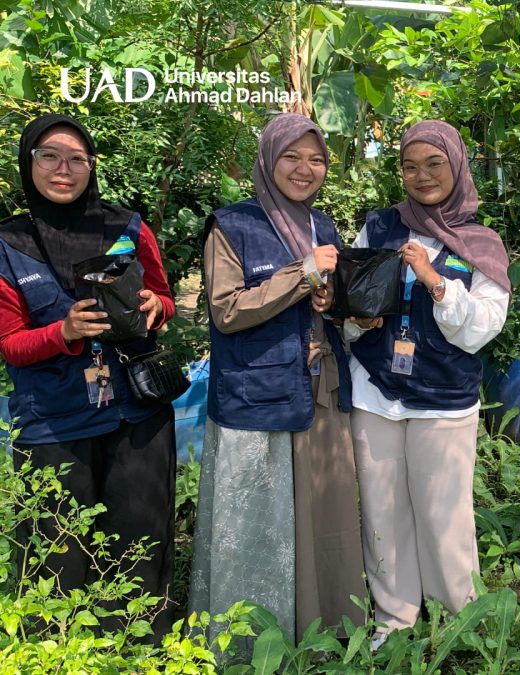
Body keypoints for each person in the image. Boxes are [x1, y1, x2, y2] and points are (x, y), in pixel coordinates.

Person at [189, 113, 365, 647]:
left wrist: (332, 301)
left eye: (316, 159)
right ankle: (248, 644)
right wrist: (303, 274)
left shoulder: (323, 226)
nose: (304, 169)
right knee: (257, 523)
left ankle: (324, 630)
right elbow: (226, 310)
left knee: (321, 516)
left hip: (317, 386)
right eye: (291, 156)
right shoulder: (233, 225)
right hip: (257, 393)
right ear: (268, 160)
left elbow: (326, 299)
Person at [0, 114, 177, 638]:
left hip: (137, 414)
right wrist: (64, 331)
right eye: (49, 156)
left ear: (91, 166)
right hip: (53, 424)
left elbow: (164, 297)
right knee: (56, 557)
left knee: (140, 546)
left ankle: (140, 651)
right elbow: (9, 343)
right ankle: (56, 655)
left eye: (77, 158)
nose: (64, 169)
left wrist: (156, 307)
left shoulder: (126, 229)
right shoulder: (9, 244)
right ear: (28, 162)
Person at [345, 120, 510, 643]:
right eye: (410, 166)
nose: (422, 176)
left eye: (434, 164)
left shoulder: (481, 242)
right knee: (382, 510)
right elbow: (348, 301)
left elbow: (484, 327)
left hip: (444, 398)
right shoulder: (379, 227)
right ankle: (394, 618)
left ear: (457, 165)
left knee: (445, 515)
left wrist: (437, 283)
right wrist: (357, 317)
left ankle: (457, 619)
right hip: (376, 390)